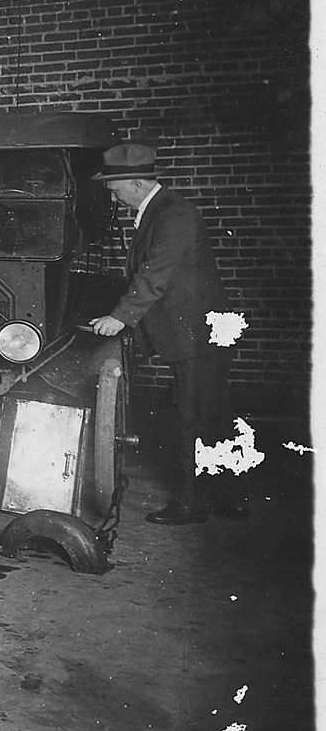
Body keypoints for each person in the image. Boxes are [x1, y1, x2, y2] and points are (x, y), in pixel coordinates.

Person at [87, 142, 242, 524]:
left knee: (196, 417)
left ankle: (192, 505)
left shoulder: (173, 214)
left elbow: (155, 272)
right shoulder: (157, 211)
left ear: (136, 183)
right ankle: (232, 501)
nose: (112, 193)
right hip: (196, 330)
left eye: (114, 187)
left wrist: (121, 317)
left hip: (196, 333)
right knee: (214, 416)